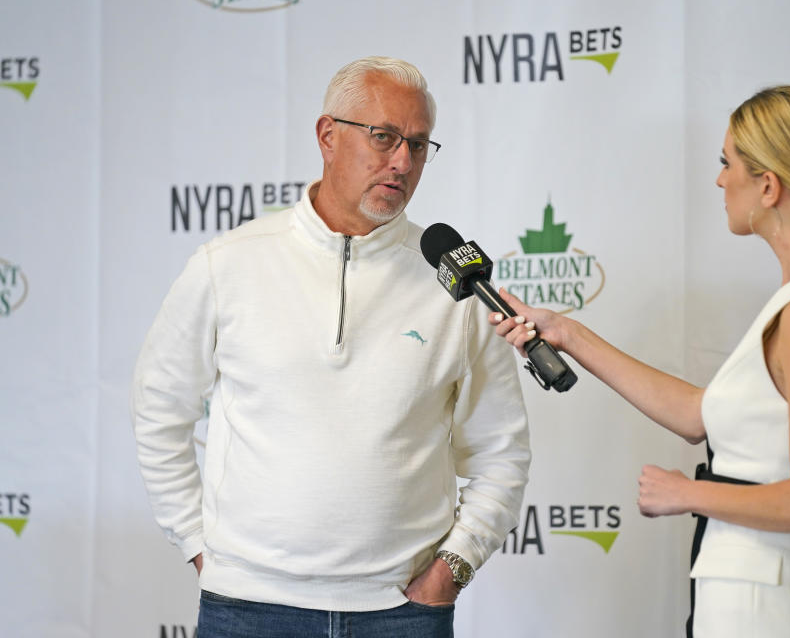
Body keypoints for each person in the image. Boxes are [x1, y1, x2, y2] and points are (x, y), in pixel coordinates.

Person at [131, 56, 530, 638]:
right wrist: (198, 544)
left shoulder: (456, 282)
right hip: (247, 608)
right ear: (327, 136)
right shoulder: (229, 264)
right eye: (384, 136)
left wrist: (451, 569)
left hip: (403, 614)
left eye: (418, 145)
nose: (402, 161)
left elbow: (501, 451)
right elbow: (159, 409)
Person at [492, 86, 790, 637]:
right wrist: (569, 334)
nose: (720, 180)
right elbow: (697, 415)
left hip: (771, 611)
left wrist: (687, 493)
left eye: (728, 164)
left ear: (769, 186)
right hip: (758, 603)